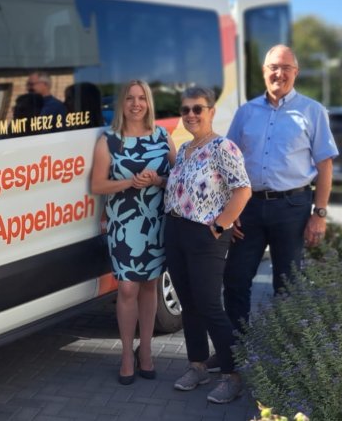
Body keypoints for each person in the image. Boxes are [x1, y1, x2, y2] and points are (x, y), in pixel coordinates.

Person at [218, 44, 337, 354]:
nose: (279, 73)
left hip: (293, 207)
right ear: (264, 71)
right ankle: (237, 349)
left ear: (295, 73)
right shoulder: (246, 112)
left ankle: (284, 355)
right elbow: (229, 161)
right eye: (273, 67)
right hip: (250, 208)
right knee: (235, 279)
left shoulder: (313, 111)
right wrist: (232, 208)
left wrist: (319, 214)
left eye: (286, 68)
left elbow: (325, 164)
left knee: (288, 285)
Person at [164, 86, 251, 404]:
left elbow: (242, 190)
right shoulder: (184, 148)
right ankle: (198, 365)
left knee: (210, 305)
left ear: (211, 112)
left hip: (206, 235)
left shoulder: (222, 147)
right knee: (189, 304)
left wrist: (221, 224)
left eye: (197, 109)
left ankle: (232, 375)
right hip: (175, 231)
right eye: (185, 109)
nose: (190, 115)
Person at [90, 80, 174, 386]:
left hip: (155, 222)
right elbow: (97, 186)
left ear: (149, 102)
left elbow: (177, 178)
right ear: (122, 103)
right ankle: (127, 353)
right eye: (130, 98)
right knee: (126, 288)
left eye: (141, 98)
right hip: (124, 224)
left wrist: (158, 180)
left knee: (150, 285)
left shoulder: (163, 136)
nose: (136, 104)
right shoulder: (109, 140)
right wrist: (130, 183)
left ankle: (147, 349)